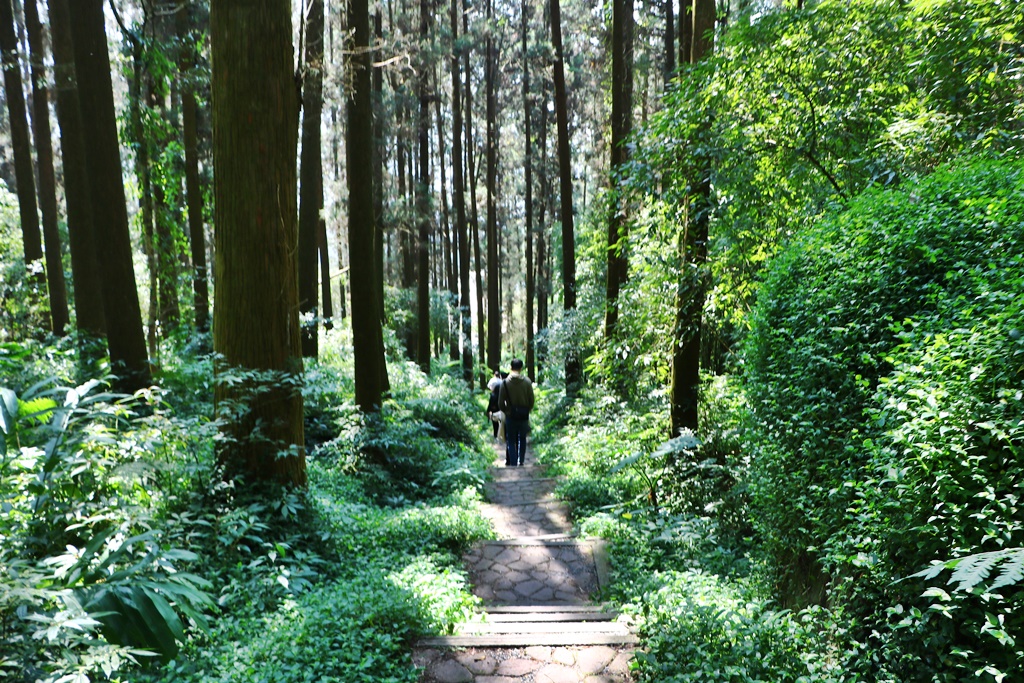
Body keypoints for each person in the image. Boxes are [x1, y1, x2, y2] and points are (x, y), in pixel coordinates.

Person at [498, 358, 534, 466]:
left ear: (510, 367)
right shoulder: (527, 382)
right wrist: (527, 409)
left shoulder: (505, 383)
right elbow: (531, 400)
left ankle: (513, 463)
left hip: (511, 416)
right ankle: (521, 461)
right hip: (523, 415)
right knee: (522, 438)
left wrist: (507, 411)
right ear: (521, 368)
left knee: (511, 440)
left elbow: (500, 402)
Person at [485, 370, 503, 440]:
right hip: (501, 409)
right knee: (502, 422)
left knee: (495, 423)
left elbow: (490, 403)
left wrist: (488, 410)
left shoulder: (493, 395)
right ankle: (501, 434)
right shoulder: (501, 382)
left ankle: (495, 434)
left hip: (494, 410)